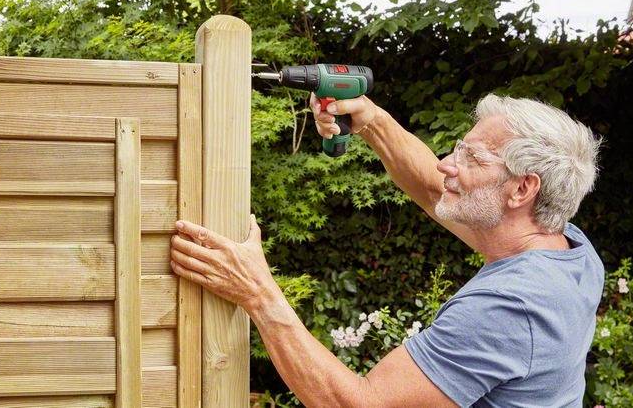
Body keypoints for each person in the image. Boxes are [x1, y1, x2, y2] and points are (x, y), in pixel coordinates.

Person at [170, 93, 605, 407]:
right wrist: (372, 121)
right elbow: (435, 187)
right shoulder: (569, 250)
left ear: (523, 188)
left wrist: (257, 294)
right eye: (458, 149)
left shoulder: (510, 307)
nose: (447, 164)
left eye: (472, 158)